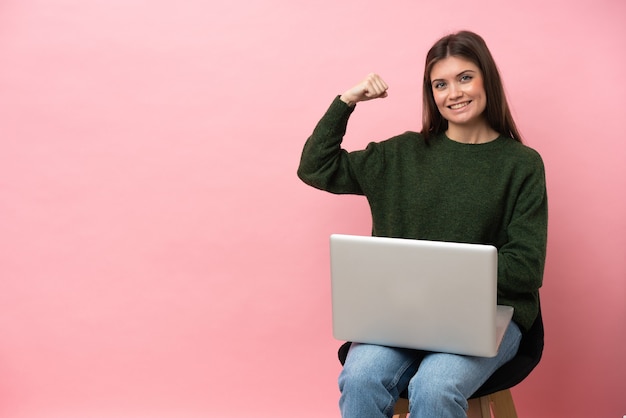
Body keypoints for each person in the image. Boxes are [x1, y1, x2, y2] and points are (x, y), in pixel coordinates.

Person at [297, 31, 547, 418]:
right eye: (440, 84)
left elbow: (527, 268)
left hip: (484, 316)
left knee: (435, 386)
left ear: (487, 81)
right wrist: (347, 101)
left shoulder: (521, 164)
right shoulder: (401, 154)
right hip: (401, 316)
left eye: (465, 77)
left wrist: (456, 271)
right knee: (360, 377)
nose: (454, 93)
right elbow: (315, 168)